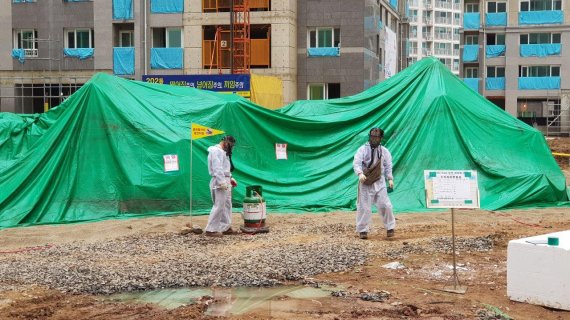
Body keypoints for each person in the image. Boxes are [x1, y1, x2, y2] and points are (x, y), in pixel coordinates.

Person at [353, 128, 395, 240]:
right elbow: (356, 163)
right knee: (364, 207)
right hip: (366, 182)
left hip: (380, 181)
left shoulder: (384, 151)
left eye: (376, 137)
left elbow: (388, 166)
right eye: (372, 136)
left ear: (381, 138)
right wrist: (360, 173)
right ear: (369, 136)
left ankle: (390, 227)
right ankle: (362, 230)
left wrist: (389, 178)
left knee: (385, 205)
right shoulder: (362, 149)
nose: (374, 139)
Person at [204, 135, 239, 237]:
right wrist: (221, 182)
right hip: (219, 181)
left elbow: (224, 168)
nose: (231, 148)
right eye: (231, 145)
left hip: (225, 179)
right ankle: (210, 230)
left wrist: (230, 178)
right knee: (219, 205)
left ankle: (225, 227)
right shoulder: (216, 151)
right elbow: (217, 167)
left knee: (227, 204)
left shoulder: (223, 152)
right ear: (226, 142)